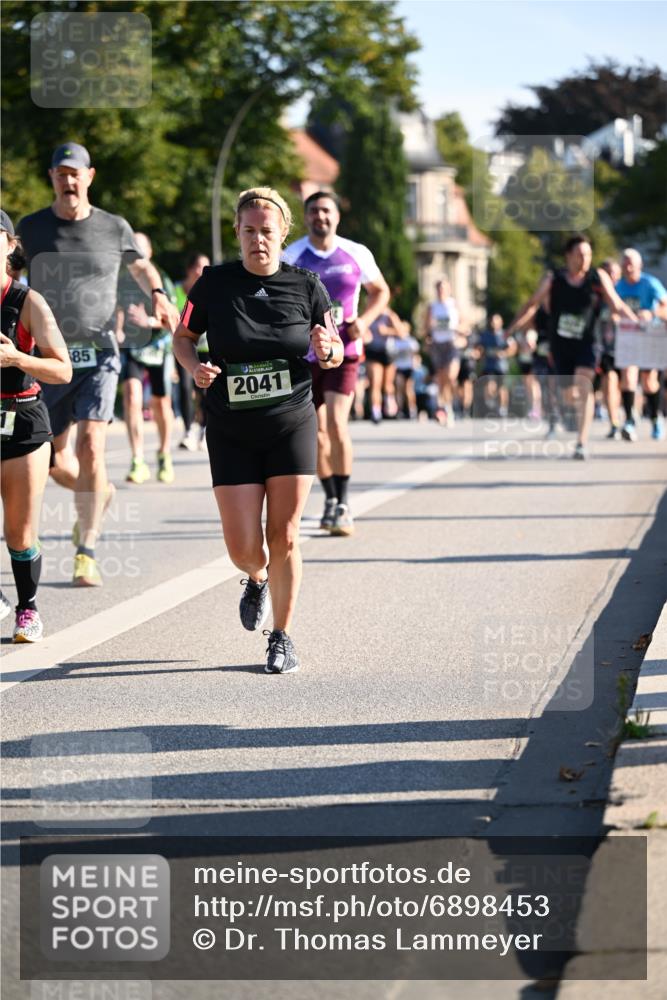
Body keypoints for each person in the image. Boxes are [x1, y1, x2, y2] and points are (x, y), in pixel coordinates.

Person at [173, 187, 343, 674]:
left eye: (267, 231)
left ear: (283, 233)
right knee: (243, 548)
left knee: (285, 534)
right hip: (231, 427)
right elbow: (183, 337)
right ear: (237, 232)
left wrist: (327, 350)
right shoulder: (213, 284)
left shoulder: (307, 285)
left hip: (291, 420)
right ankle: (256, 576)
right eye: (249, 231)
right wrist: (195, 367)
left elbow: (334, 349)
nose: (258, 239)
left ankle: (282, 637)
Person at [17, 142, 179, 586]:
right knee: (52, 461)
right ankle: (99, 491)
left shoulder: (113, 226)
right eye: (61, 173)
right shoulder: (32, 228)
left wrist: (158, 295)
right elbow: (8, 272)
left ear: (89, 177)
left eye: (76, 174)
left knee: (91, 446)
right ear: (52, 178)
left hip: (100, 352)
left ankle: (86, 549)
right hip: (49, 356)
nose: (68, 181)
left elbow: (141, 268)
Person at [283, 191, 389, 536]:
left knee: (336, 423)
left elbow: (381, 291)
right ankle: (330, 497)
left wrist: (365, 321)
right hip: (304, 354)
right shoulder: (292, 255)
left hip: (345, 350)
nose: (321, 217)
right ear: (306, 217)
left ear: (337, 216)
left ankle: (343, 502)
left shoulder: (356, 253)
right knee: (316, 431)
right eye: (314, 211)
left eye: (326, 210)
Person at [0, 210, 72, 640]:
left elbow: (62, 369)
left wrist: (16, 358)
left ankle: (27, 609)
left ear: (10, 245)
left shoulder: (27, 302)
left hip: (23, 422)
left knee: (19, 532)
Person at [506, 235, 637, 459]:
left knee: (584, 386)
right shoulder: (554, 279)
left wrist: (638, 324)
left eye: (588, 254)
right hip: (561, 345)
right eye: (580, 254)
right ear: (568, 256)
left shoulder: (598, 277)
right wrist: (511, 329)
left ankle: (581, 443)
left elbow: (616, 304)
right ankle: (573, 416)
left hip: (588, 342)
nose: (585, 259)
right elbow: (532, 304)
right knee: (569, 394)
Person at [117, 232, 177, 484]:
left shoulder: (161, 280)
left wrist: (148, 321)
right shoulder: (122, 279)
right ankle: (138, 459)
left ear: (149, 252)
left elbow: (172, 320)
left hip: (157, 346)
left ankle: (164, 453)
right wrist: (118, 329)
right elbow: (118, 308)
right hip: (131, 346)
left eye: (140, 249)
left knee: (160, 403)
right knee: (132, 396)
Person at [615, 248, 667, 442]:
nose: (628, 267)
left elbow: (665, 306)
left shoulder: (650, 283)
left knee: (648, 381)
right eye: (625, 263)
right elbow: (612, 308)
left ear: (639, 265)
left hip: (650, 336)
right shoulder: (618, 286)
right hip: (628, 337)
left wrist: (651, 313)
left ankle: (655, 418)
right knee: (628, 376)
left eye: (631, 263)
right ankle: (629, 421)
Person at [174, 252, 210, 451]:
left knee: (204, 390)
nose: (202, 271)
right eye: (199, 267)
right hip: (186, 347)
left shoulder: (211, 289)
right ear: (189, 269)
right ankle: (188, 430)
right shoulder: (176, 291)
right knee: (185, 388)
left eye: (206, 267)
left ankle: (204, 430)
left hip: (206, 348)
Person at [424, 278, 461, 427]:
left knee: (451, 376)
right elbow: (427, 326)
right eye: (439, 288)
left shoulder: (454, 304)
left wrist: (460, 330)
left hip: (451, 343)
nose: (441, 291)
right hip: (437, 344)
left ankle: (448, 405)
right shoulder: (432, 306)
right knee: (441, 380)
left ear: (449, 290)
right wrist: (428, 337)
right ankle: (446, 407)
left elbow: (465, 322)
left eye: (444, 288)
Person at [364, 306, 406, 423]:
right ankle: (376, 411)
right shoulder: (369, 314)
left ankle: (389, 401)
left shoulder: (389, 315)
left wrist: (387, 331)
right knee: (375, 383)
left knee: (387, 385)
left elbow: (402, 334)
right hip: (373, 351)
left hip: (387, 352)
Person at [596, 259, 623, 439]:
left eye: (614, 273)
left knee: (624, 385)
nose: (611, 276)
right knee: (610, 382)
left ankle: (626, 413)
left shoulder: (623, 292)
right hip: (605, 348)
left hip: (626, 346)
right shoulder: (596, 295)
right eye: (607, 273)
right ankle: (614, 421)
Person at [477, 313, 514, 416]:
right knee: (489, 385)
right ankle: (491, 402)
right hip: (489, 365)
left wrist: (504, 353)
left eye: (496, 321)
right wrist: (479, 354)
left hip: (501, 366)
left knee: (502, 387)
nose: (493, 323)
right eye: (492, 321)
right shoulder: (485, 335)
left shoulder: (505, 335)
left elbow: (513, 348)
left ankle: (503, 408)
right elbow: (480, 347)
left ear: (501, 322)